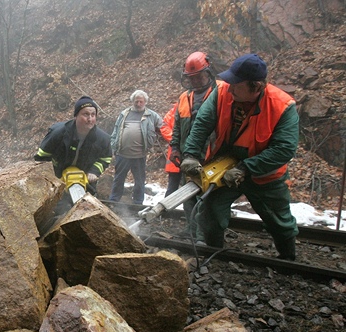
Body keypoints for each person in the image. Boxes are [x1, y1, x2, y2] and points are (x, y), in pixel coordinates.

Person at [180, 53, 299, 260]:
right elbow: (201, 126)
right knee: (210, 210)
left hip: (263, 171)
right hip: (223, 165)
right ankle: (214, 253)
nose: (230, 86)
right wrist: (191, 155)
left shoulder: (282, 106)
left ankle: (288, 258)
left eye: (236, 83)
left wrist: (245, 168)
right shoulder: (222, 92)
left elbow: (284, 149)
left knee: (278, 219)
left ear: (256, 86)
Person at [168, 52, 224, 237]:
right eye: (192, 78)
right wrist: (175, 148)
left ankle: (203, 235)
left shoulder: (220, 93)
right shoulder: (184, 97)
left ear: (207, 73)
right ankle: (191, 231)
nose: (196, 81)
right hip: (188, 155)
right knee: (188, 193)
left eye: (199, 77)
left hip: (211, 155)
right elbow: (177, 126)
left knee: (206, 196)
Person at [34, 96, 112, 209]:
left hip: (85, 178)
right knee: (58, 211)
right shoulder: (58, 134)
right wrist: (51, 178)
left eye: (93, 115)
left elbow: (105, 158)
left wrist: (94, 171)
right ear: (76, 116)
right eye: (85, 114)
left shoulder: (102, 139)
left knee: (87, 210)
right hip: (58, 178)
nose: (90, 119)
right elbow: (41, 157)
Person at [109, 90, 162, 204]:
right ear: (132, 101)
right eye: (136, 101)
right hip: (122, 154)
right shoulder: (124, 113)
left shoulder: (151, 115)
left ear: (145, 102)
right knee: (118, 178)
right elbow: (116, 130)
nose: (138, 104)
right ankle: (113, 201)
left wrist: (154, 139)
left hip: (139, 155)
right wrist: (113, 145)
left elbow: (163, 127)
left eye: (141, 101)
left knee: (139, 180)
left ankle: (138, 202)